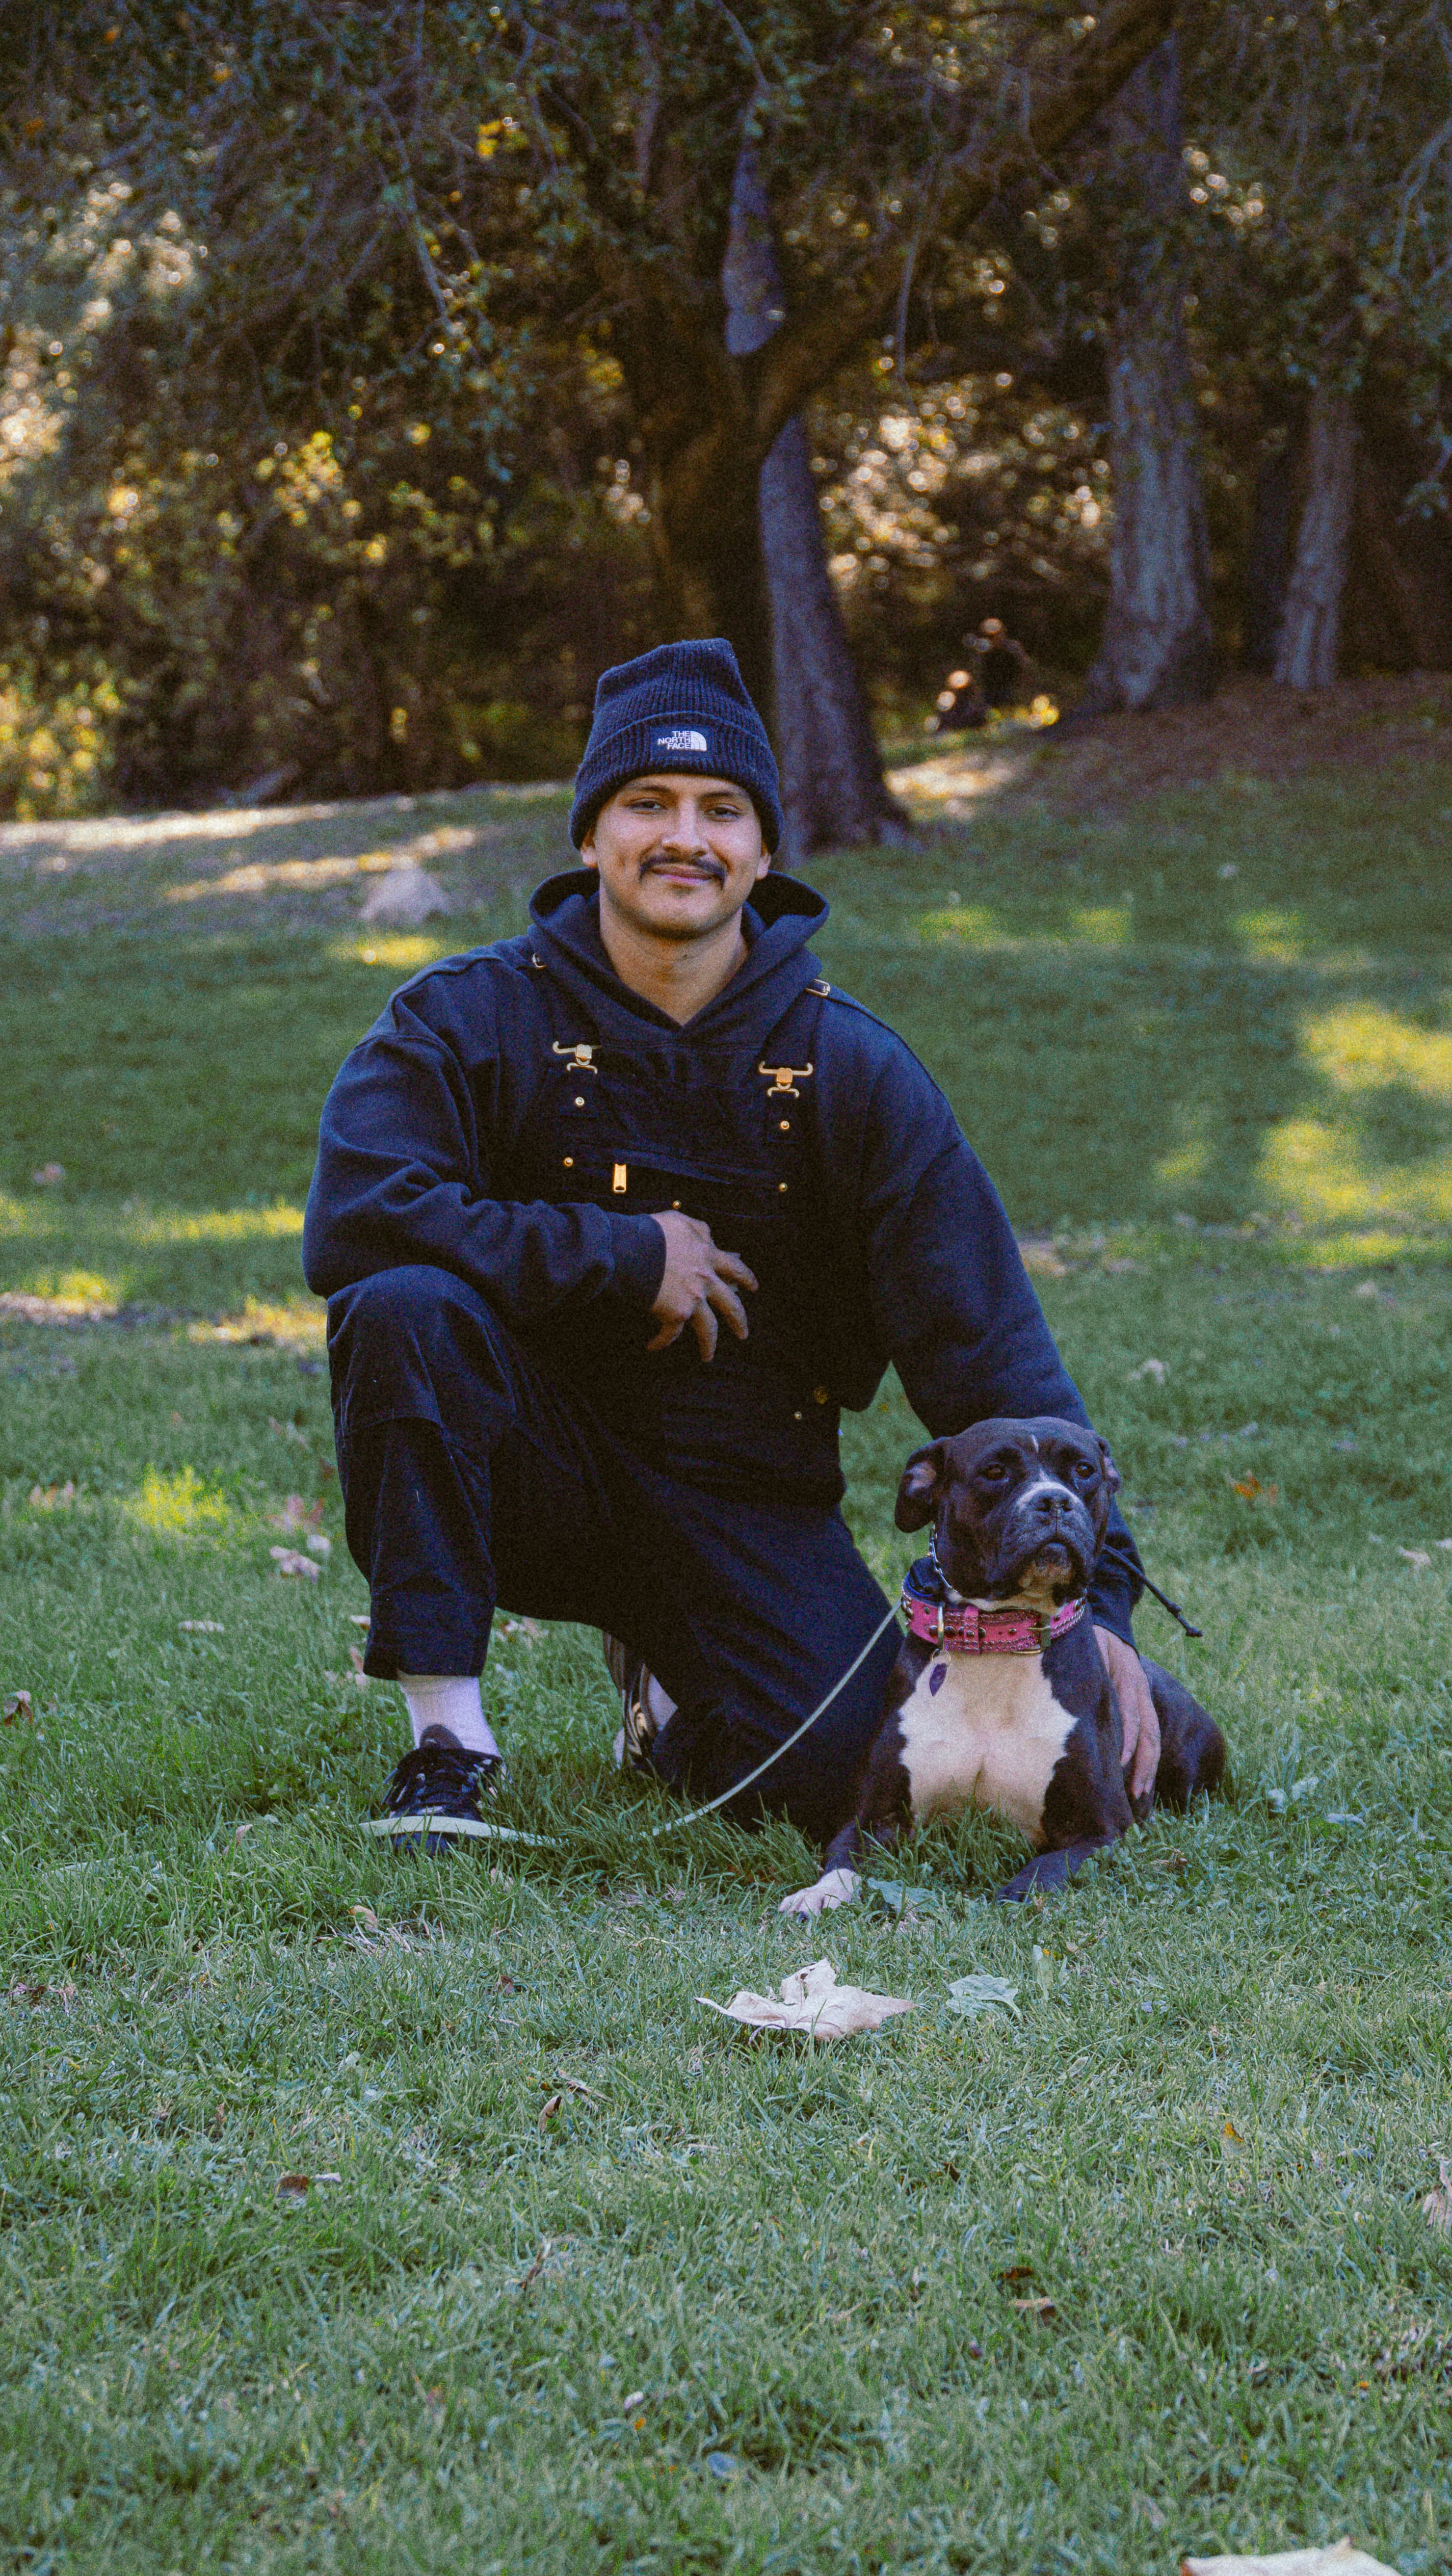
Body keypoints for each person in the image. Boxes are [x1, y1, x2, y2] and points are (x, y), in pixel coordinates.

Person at [303, 638, 1160, 1854]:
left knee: (840, 1774)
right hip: (531, 1474)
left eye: (721, 809)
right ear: (589, 835)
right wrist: (619, 1253)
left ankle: (667, 1699)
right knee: (397, 1306)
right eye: (644, 804)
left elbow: (989, 1350)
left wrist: (1103, 1607)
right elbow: (353, 1218)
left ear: (762, 849)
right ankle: (449, 1744)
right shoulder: (461, 1017)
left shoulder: (850, 1064)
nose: (682, 837)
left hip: (745, 1495)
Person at [967, 616, 1031, 712]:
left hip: (1011, 689)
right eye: (990, 636)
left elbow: (1025, 666)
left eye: (997, 634)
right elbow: (975, 672)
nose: (995, 638)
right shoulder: (982, 652)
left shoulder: (1013, 648)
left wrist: (1023, 687)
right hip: (989, 691)